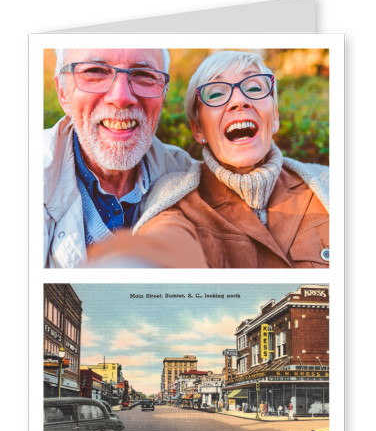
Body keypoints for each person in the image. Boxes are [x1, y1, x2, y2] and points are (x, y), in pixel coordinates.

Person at [87, 50, 329, 268]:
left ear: (274, 116)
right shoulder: (176, 200)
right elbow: (166, 242)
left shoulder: (328, 185)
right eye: (216, 93)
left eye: (254, 88)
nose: (239, 101)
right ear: (198, 129)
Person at [44, 48, 198, 268]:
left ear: (163, 93)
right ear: (62, 92)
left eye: (144, 75)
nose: (121, 97)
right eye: (95, 71)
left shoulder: (187, 176)